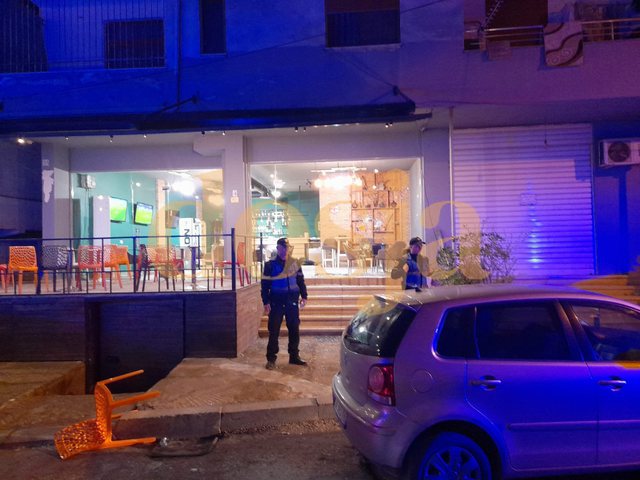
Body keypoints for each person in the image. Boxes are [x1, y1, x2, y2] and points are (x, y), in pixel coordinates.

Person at [261, 237, 308, 370]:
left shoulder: (295, 264)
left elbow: (300, 281)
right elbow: (264, 286)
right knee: (274, 331)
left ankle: (294, 356)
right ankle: (271, 359)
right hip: (276, 303)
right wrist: (266, 301)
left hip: (292, 302)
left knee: (294, 330)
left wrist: (304, 296)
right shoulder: (270, 265)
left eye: (287, 248)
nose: (285, 250)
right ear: (278, 249)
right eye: (282, 248)